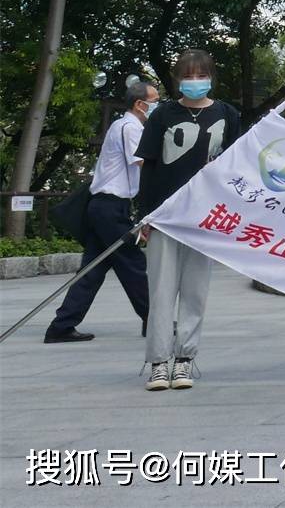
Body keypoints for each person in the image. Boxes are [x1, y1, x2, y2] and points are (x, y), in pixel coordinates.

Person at [138, 49, 242, 392]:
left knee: (195, 291)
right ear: (177, 79)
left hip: (205, 217)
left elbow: (238, 165)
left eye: (201, 75)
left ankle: (184, 359)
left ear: (211, 77)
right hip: (165, 216)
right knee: (161, 290)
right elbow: (148, 166)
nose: (195, 82)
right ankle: (157, 362)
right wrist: (146, 216)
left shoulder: (227, 113)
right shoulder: (162, 115)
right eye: (188, 75)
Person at [44, 77, 156, 343]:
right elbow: (142, 163)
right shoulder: (130, 128)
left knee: (92, 270)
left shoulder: (121, 125)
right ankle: (153, 320)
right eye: (154, 101)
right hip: (111, 208)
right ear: (140, 104)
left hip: (104, 207)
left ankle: (62, 325)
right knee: (133, 264)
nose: (157, 106)